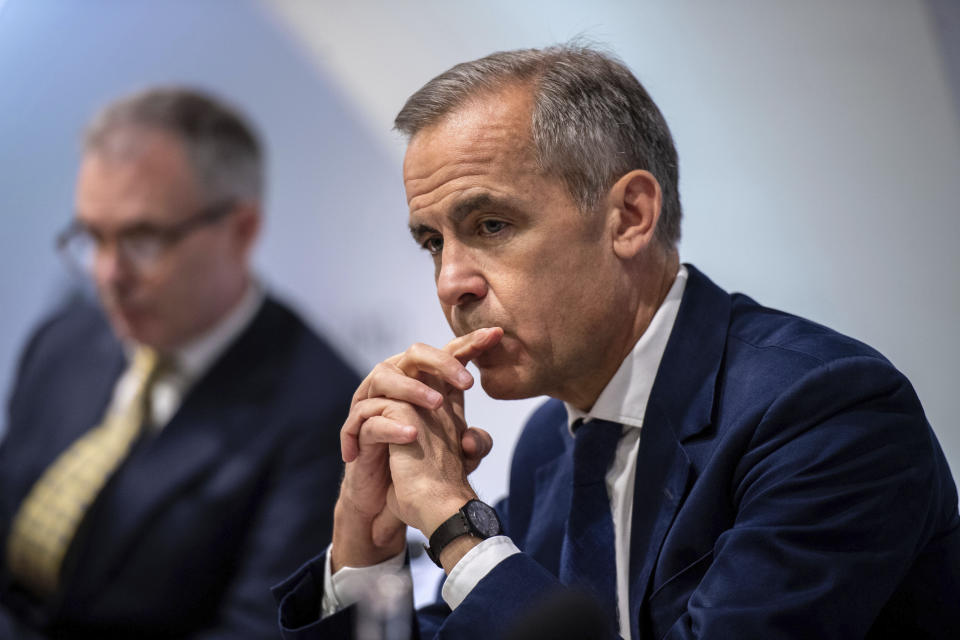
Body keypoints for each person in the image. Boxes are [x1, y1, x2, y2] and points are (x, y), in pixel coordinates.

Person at [273, 45, 960, 639]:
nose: (451, 281)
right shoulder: (552, 441)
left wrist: (457, 527)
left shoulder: (825, 414)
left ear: (629, 216)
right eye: (432, 242)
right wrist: (364, 538)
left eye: (489, 225)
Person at [0, 88, 359, 639]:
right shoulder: (66, 338)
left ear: (241, 230)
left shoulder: (324, 415)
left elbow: (258, 633)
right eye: (93, 237)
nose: (107, 275)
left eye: (142, 240)